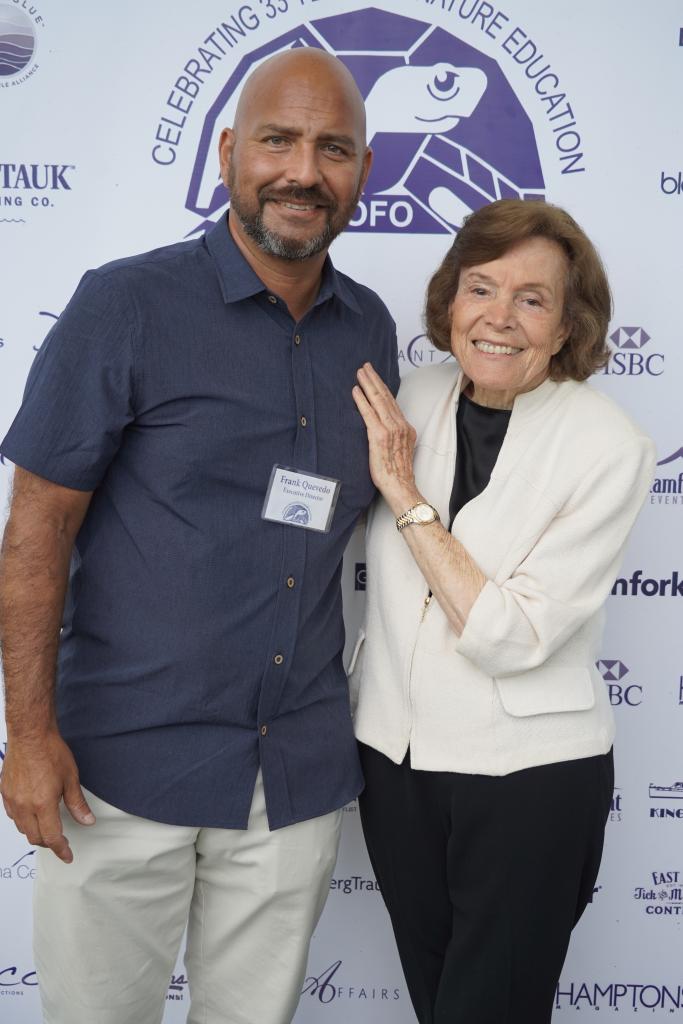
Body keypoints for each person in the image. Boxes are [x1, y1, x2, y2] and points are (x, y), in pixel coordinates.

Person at [0, 48, 398, 1024]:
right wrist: (28, 736)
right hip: (121, 771)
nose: (303, 170)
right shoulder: (126, 304)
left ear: (362, 171)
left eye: (332, 148)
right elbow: (36, 528)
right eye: (278, 140)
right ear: (227, 152)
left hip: (291, 777)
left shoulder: (370, 330)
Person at [349, 199, 654, 1024]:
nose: (498, 317)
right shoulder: (409, 397)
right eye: (479, 288)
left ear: (565, 327)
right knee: (436, 1002)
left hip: (529, 781)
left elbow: (508, 635)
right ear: (449, 300)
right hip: (394, 765)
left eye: (531, 299)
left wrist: (406, 497)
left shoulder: (606, 444)